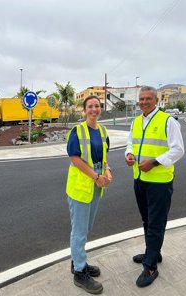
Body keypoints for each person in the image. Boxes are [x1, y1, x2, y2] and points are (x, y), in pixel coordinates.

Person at [125, 86, 184, 287]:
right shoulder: (136, 121)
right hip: (140, 179)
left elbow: (178, 150)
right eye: (141, 99)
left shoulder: (168, 121)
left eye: (148, 99)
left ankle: (150, 266)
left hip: (159, 182)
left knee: (156, 224)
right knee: (147, 220)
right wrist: (128, 155)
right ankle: (153, 253)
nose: (143, 102)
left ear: (156, 100)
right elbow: (130, 144)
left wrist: (155, 162)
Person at [66, 95, 113, 294]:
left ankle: (77, 261)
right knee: (79, 231)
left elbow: (104, 157)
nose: (94, 109)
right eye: (90, 106)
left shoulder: (102, 131)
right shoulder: (77, 131)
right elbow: (74, 158)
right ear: (84, 110)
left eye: (97, 106)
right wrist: (96, 176)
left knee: (87, 228)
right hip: (80, 187)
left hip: (96, 186)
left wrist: (107, 171)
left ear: (100, 109)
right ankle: (79, 272)